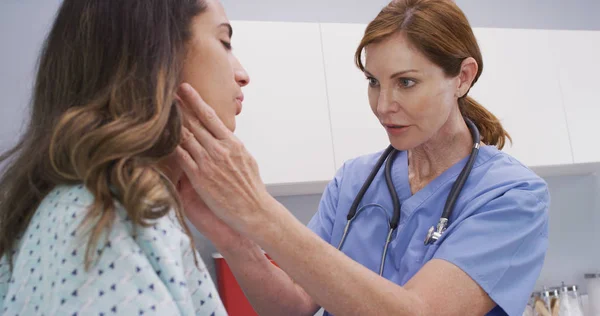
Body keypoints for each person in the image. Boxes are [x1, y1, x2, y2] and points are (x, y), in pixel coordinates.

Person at [175, 0, 550, 315]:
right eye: (373, 82)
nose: (383, 106)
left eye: (406, 82)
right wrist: (234, 239)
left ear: (463, 78)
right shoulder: (354, 180)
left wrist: (258, 210)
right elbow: (295, 304)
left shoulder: (511, 196)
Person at [0, 0, 249, 315]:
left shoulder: (118, 209)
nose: (243, 74)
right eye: (224, 42)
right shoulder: (99, 220)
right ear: (160, 58)